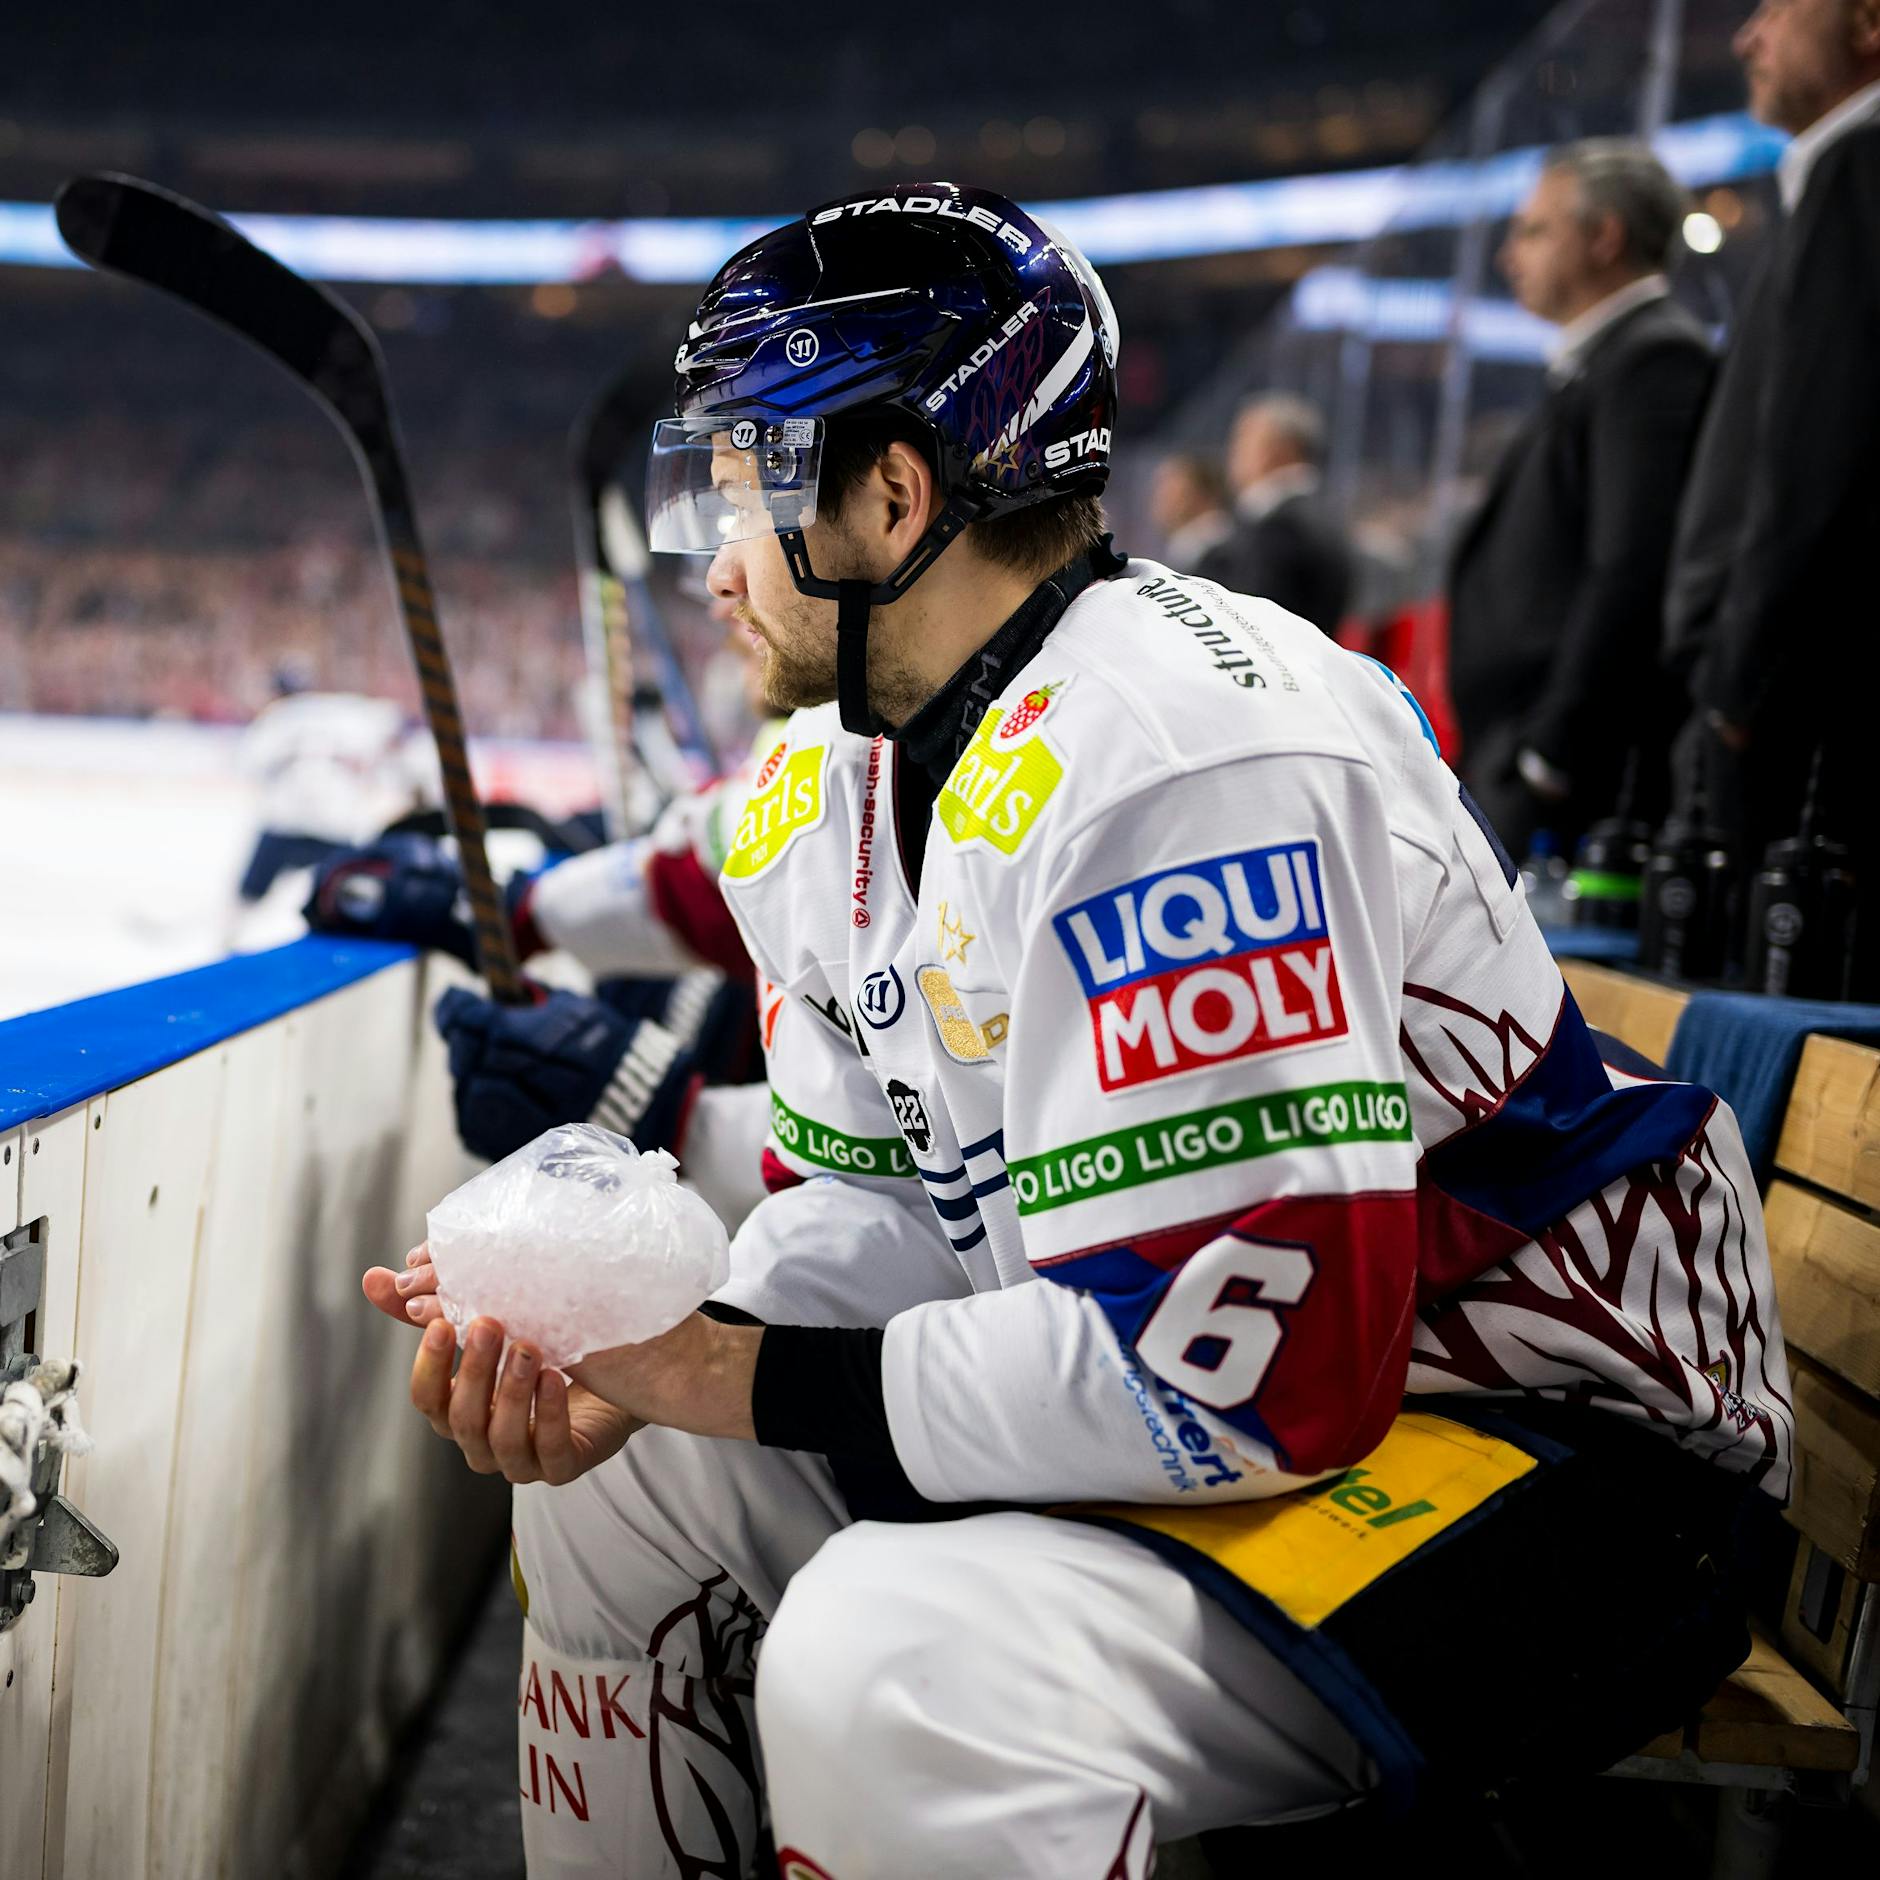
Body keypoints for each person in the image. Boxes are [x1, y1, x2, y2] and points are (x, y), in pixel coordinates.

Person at [369, 185, 1791, 1878]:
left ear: (894, 497)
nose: (717, 567)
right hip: (1294, 1386)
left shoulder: (1187, 753)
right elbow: (881, 1212)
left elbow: (1265, 1370)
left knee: (895, 1669)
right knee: (619, 1482)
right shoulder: (843, 770)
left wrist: (728, 1367)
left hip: (1561, 1450)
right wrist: (657, 1355)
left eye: (741, 498)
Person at [1665, 0, 1880, 991]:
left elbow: (1814, 457)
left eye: (1773, 10)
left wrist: (1739, 687)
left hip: (1799, 724)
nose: (1745, 38)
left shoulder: (1857, 170)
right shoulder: (1832, 180)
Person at [1447, 140, 1715, 860]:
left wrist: (1551, 758)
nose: (1511, 256)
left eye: (1534, 231)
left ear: (1604, 238)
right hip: (1527, 759)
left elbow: (1633, 567)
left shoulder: (1654, 358)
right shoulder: (1601, 364)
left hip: (1571, 778)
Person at [1195, 393, 1353, 633]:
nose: (1232, 455)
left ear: (1277, 448)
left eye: (1243, 441)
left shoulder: (1283, 528)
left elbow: (1247, 628)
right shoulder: (1315, 515)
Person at [1147, 450, 1233, 569]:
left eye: (1171, 488)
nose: (1159, 497)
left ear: (1202, 494)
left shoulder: (1222, 551)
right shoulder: (1185, 549)